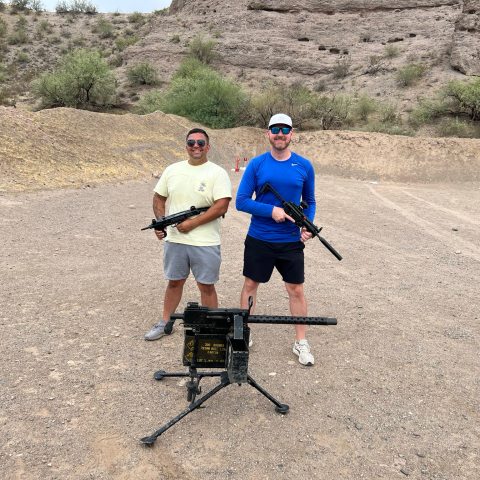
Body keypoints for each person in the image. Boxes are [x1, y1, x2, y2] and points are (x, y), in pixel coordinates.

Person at [236, 113, 317, 366]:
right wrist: (270, 211)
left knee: (296, 290)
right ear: (267, 134)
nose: (279, 134)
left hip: (290, 241)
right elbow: (241, 201)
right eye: (275, 129)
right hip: (259, 237)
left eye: (285, 129)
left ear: (292, 134)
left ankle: (300, 341)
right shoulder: (257, 165)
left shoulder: (304, 165)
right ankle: (244, 333)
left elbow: (311, 202)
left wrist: (308, 226)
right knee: (250, 285)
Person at [144, 128, 232, 340]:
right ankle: (165, 322)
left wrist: (192, 224)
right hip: (175, 241)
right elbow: (159, 198)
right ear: (186, 146)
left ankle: (211, 327)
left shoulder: (217, 173)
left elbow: (221, 206)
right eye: (191, 142)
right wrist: (161, 222)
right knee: (174, 281)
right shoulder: (172, 170)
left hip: (205, 241)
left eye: (201, 143)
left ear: (208, 147)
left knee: (206, 286)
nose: (196, 146)